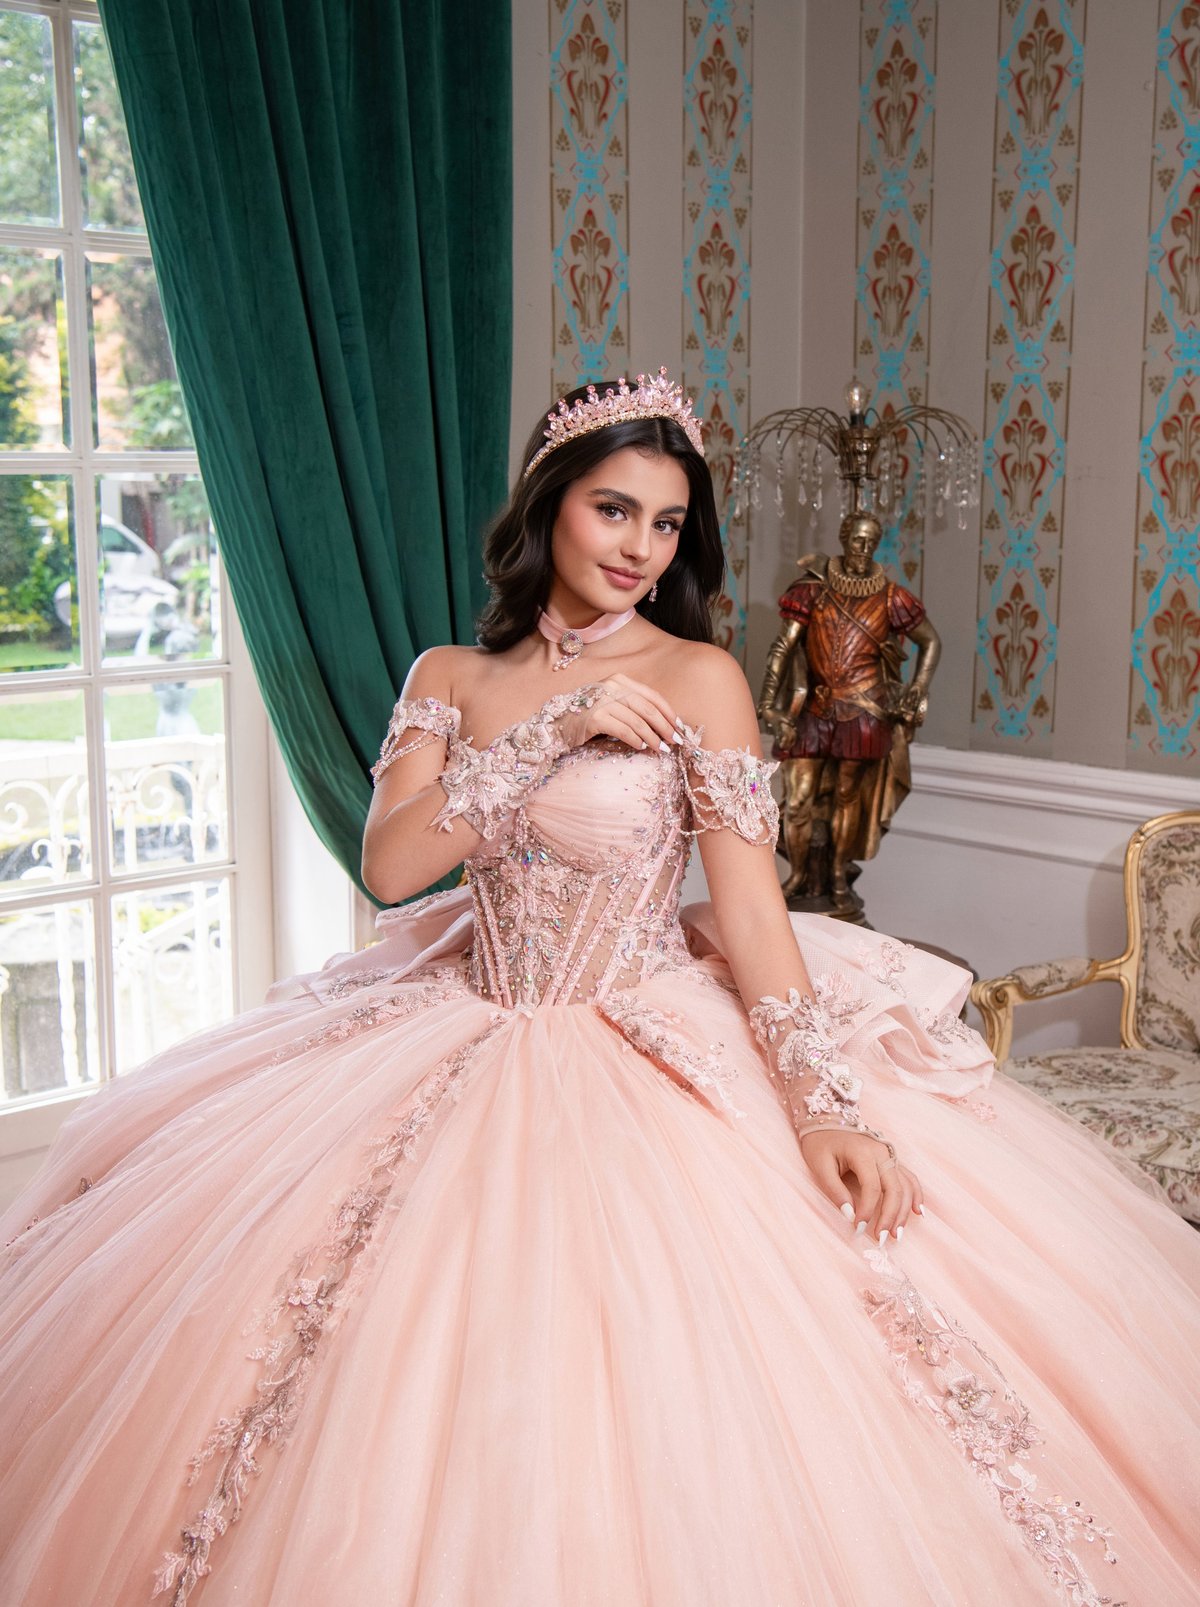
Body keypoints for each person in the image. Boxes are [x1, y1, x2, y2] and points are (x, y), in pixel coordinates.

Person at [0, 370, 1198, 1607]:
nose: (640, 547)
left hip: (639, 1022)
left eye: (668, 522)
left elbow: (744, 906)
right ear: (548, 507)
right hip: (459, 1016)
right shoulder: (449, 675)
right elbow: (395, 864)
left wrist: (821, 1099)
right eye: (614, 509)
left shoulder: (700, 678)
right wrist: (551, 729)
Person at [758, 510, 940, 911]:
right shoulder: (812, 590)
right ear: (844, 539)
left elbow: (931, 642)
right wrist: (768, 705)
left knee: (847, 800)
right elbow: (783, 649)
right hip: (815, 708)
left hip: (864, 711)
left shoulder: (892, 597)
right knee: (799, 799)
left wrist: (917, 691)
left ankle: (838, 874)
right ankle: (801, 874)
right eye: (857, 540)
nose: (863, 548)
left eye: (870, 542)